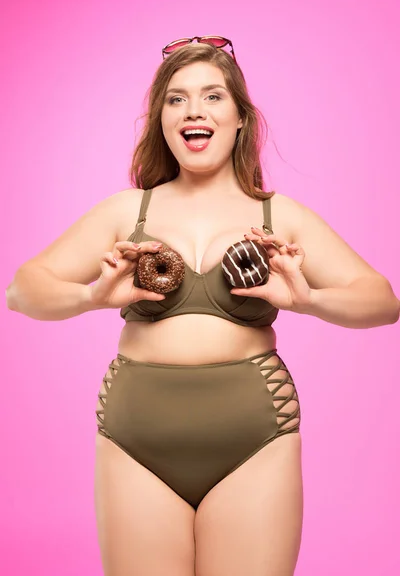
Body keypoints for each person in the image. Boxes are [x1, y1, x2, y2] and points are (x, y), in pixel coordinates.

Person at [6, 36, 399, 576]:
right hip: (135, 443)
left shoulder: (276, 216)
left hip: (255, 442)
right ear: (162, 121)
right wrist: (92, 295)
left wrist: (306, 299)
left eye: (213, 96)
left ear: (240, 118)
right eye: (176, 98)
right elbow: (23, 290)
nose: (194, 110)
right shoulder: (127, 212)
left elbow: (382, 302)